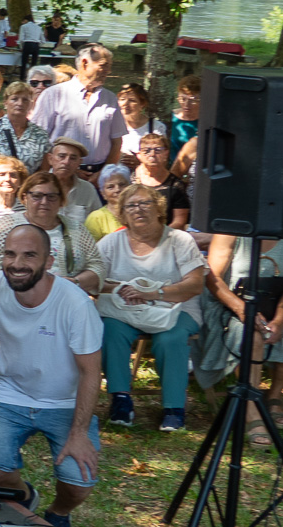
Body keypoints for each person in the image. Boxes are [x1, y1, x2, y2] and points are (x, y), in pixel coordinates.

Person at [0, 224, 104, 527]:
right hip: (9, 392)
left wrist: (79, 434)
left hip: (65, 401)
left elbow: (91, 372)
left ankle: (58, 513)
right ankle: (24, 499)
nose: (17, 264)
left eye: (29, 255)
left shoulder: (75, 304)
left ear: (48, 261)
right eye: (10, 254)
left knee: (79, 482)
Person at [94, 184, 204, 432]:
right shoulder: (110, 243)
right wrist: (124, 289)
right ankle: (120, 399)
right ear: (122, 213)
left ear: (159, 208)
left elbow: (195, 284)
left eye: (145, 203)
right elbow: (93, 280)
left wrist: (154, 293)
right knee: (110, 330)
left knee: (170, 338)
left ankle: (174, 408)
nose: (138, 209)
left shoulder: (180, 240)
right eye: (131, 205)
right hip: (126, 310)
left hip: (177, 307)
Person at [194, 226, 283, 447]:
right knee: (251, 337)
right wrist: (242, 310)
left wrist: (279, 321)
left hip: (271, 307)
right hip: (228, 305)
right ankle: (251, 410)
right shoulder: (232, 229)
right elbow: (213, 279)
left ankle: (274, 395)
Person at [0, 172, 107, 294]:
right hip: (17, 297)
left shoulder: (76, 229)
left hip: (67, 296)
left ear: (61, 201)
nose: (44, 202)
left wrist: (74, 283)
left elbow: (97, 267)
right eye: (37, 196)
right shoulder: (7, 226)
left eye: (51, 197)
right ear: (25, 198)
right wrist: (36, 282)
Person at [29, 45, 126, 175]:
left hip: (100, 175)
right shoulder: (54, 94)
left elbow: (117, 141)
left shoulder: (110, 98)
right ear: (85, 63)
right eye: (104, 65)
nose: (108, 71)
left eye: (109, 66)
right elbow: (39, 139)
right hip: (62, 173)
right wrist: (68, 170)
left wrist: (103, 173)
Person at [128, 132, 191, 230]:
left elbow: (179, 221)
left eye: (158, 150)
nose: (152, 154)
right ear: (139, 155)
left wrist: (158, 234)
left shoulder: (176, 185)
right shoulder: (130, 181)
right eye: (146, 151)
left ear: (166, 153)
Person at [0, 80, 52, 173]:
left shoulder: (40, 134)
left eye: (25, 100)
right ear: (5, 103)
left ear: (31, 104)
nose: (20, 103)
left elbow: (44, 170)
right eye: (14, 99)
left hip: (31, 182)